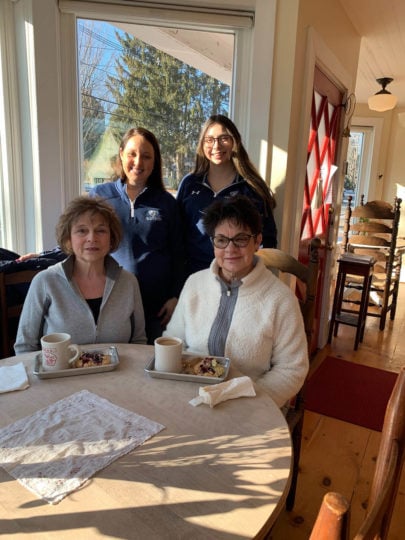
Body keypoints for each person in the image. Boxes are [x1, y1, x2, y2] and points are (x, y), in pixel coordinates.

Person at [164, 195, 308, 408]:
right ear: (212, 242)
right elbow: (173, 340)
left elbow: (291, 369)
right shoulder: (194, 283)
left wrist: (248, 400)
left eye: (240, 239)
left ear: (257, 241)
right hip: (191, 396)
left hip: (251, 403)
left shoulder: (281, 299)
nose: (230, 249)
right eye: (221, 240)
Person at [89, 127, 185, 343]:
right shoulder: (100, 196)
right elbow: (82, 240)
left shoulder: (167, 203)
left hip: (157, 308)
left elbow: (179, 253)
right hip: (110, 301)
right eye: (132, 153)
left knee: (151, 368)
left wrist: (175, 297)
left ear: (155, 161)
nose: (138, 162)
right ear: (121, 153)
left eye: (146, 156)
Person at [14, 196, 146, 354]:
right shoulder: (45, 281)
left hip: (118, 377)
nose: (92, 238)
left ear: (111, 238)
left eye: (101, 230)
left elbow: (139, 342)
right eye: (82, 231)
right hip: (59, 377)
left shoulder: (128, 282)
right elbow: (25, 347)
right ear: (68, 239)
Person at [177, 114, 278, 276]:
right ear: (202, 145)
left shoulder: (252, 188)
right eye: (209, 140)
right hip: (193, 277)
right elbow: (176, 235)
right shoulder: (190, 184)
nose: (216, 146)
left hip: (239, 280)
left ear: (235, 142)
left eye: (223, 138)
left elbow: (268, 241)